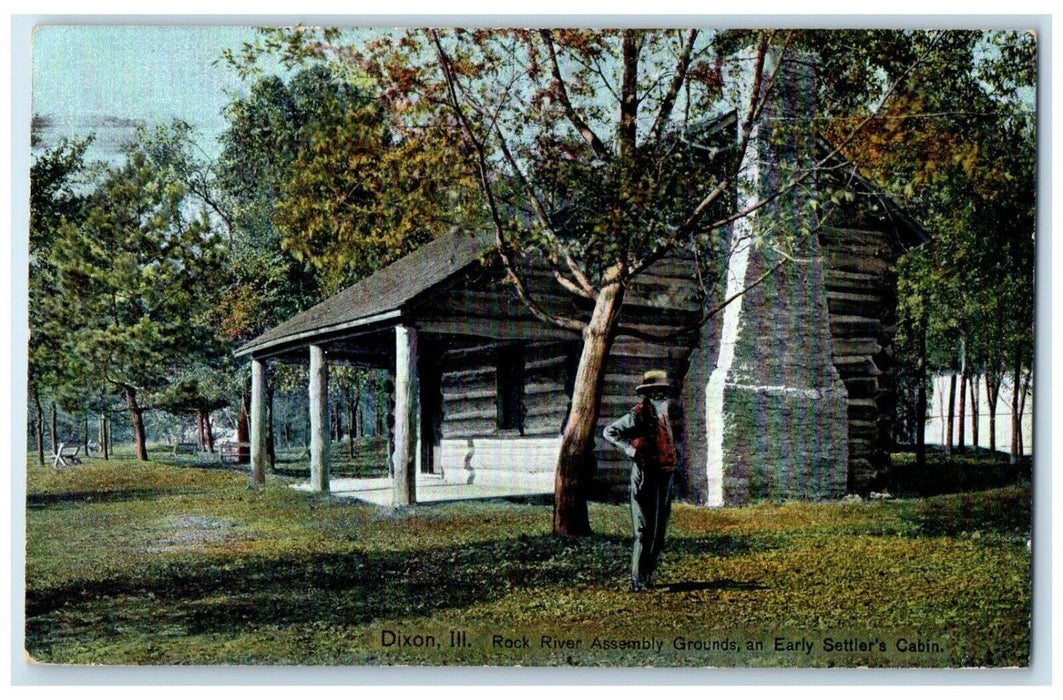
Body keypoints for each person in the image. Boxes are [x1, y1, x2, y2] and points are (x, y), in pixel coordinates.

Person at [603, 369, 680, 592]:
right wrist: (630, 450)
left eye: (663, 392)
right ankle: (638, 582)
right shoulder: (638, 414)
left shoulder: (664, 417)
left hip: (665, 475)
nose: (660, 397)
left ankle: (647, 577)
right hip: (646, 476)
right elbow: (610, 432)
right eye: (656, 393)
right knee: (644, 530)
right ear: (648, 394)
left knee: (658, 530)